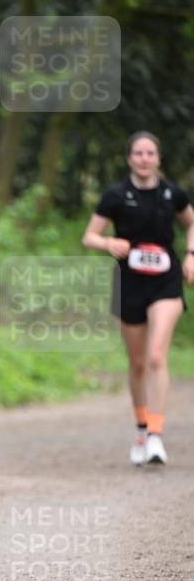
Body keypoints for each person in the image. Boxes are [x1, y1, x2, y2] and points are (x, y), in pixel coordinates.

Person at [82, 131, 194, 465]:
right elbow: (89, 236)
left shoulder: (173, 193)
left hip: (166, 283)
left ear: (158, 158)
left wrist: (191, 254)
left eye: (150, 153)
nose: (144, 159)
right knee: (138, 363)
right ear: (129, 158)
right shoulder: (116, 195)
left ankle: (156, 436)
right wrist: (108, 244)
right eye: (138, 153)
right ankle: (142, 428)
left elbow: (191, 222)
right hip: (129, 284)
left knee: (157, 356)